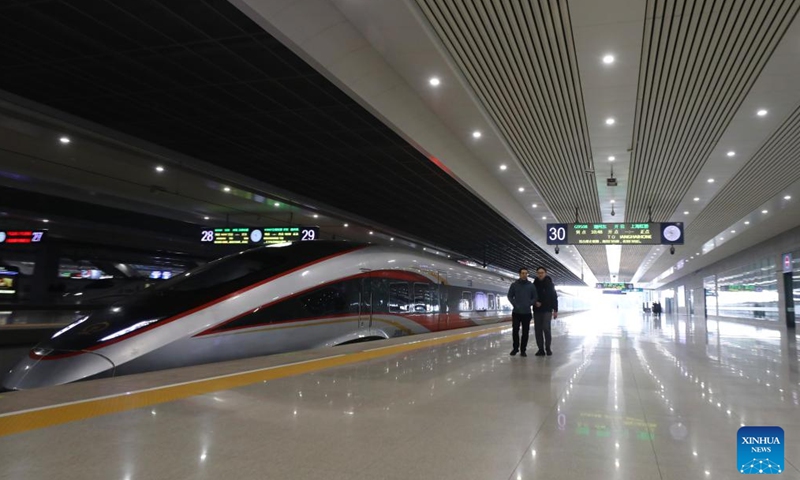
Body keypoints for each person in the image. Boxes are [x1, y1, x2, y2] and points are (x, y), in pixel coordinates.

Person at [507, 267, 538, 357]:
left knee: (525, 332)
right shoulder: (514, 285)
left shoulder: (531, 286)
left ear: (527, 274)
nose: (524, 275)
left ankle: (523, 350)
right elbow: (509, 296)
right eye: (522, 273)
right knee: (515, 330)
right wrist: (515, 304)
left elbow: (535, 297)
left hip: (527, 313)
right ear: (519, 274)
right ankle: (515, 348)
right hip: (516, 312)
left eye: (526, 273)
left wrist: (530, 303)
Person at [533, 266, 558, 356]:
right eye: (539, 273)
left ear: (545, 273)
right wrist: (534, 302)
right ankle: (541, 349)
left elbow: (554, 298)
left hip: (547, 309)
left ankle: (548, 347)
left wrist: (555, 310)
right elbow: (531, 296)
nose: (540, 274)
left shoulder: (550, 284)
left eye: (542, 272)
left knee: (546, 328)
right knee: (538, 330)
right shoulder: (534, 284)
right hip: (537, 310)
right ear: (537, 274)